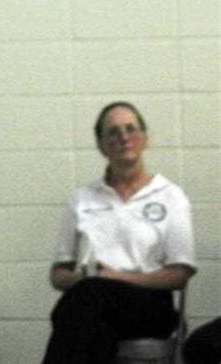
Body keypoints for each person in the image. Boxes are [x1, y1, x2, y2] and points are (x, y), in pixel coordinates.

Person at [41, 101, 196, 364]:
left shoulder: (170, 196)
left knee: (79, 306)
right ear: (101, 146)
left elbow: (179, 275)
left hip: (148, 306)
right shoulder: (83, 198)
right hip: (91, 305)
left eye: (131, 129)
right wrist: (83, 279)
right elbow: (58, 275)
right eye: (113, 132)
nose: (123, 137)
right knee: (94, 332)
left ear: (144, 138)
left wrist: (118, 279)